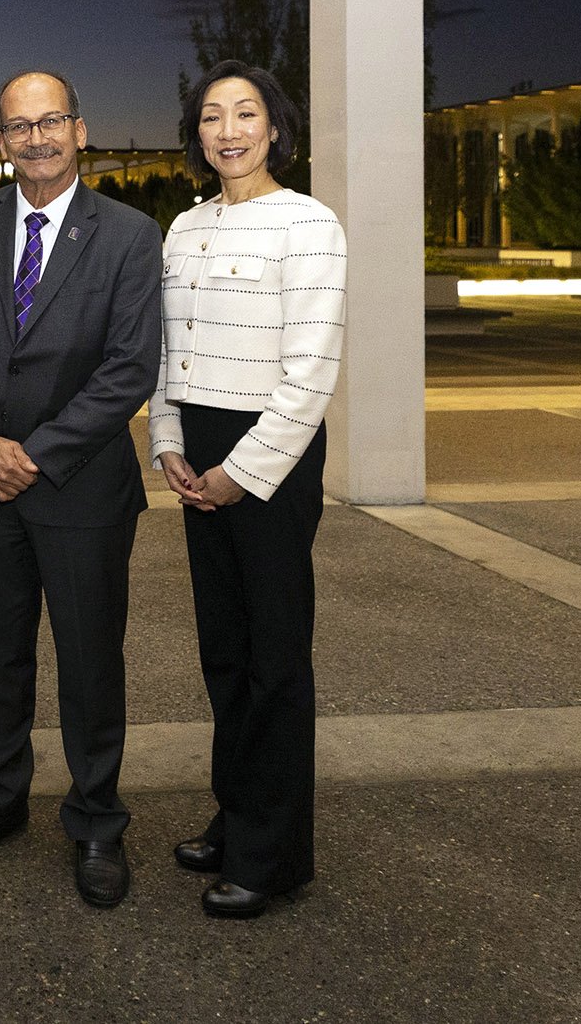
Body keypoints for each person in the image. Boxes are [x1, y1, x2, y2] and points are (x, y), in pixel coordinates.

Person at [0, 70, 162, 908]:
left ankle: (98, 817)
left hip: (82, 489)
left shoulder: (130, 235)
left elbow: (130, 366)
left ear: (80, 127)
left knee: (92, 662)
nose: (36, 138)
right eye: (18, 126)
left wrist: (34, 451)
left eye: (50, 121)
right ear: (0, 140)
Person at [148, 61, 346, 919]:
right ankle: (235, 815)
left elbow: (310, 375)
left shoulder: (309, 223)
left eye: (246, 114)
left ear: (275, 127)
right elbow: (166, 352)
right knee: (224, 652)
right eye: (212, 116)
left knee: (275, 658)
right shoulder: (184, 227)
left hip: (271, 456)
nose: (228, 130)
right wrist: (166, 441)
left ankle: (274, 854)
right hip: (199, 450)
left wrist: (242, 471)